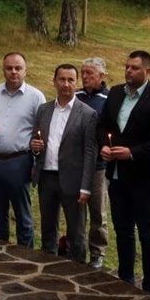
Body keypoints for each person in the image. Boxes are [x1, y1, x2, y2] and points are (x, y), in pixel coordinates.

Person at [98, 50, 150, 294]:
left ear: (148, 71)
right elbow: (103, 125)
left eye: (135, 68)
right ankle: (125, 278)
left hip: (144, 178)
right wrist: (104, 147)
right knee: (122, 230)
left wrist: (131, 152)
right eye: (127, 66)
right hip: (117, 175)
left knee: (147, 233)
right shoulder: (116, 93)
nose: (129, 71)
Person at [30, 64, 98, 263]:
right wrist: (34, 146)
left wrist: (86, 186)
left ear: (76, 83)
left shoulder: (87, 114)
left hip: (73, 180)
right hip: (47, 177)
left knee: (76, 232)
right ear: (54, 81)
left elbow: (89, 152)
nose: (66, 84)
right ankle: (48, 264)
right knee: (48, 227)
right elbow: (36, 141)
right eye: (62, 79)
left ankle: (77, 270)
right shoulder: (43, 110)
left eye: (70, 80)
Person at [0, 52, 45, 246]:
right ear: (3, 69)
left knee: (22, 214)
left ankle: (25, 255)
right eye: (9, 68)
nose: (13, 72)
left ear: (25, 70)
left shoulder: (35, 97)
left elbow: (41, 131)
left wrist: (36, 161)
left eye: (18, 68)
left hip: (19, 160)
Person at [76, 57, 109, 268]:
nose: (85, 77)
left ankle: (98, 252)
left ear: (101, 76)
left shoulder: (109, 98)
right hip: (75, 162)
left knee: (98, 210)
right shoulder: (76, 96)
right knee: (76, 209)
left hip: (98, 166)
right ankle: (76, 248)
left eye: (90, 73)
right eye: (83, 72)